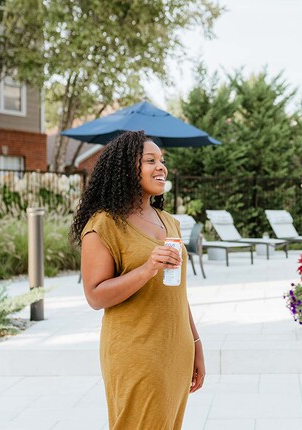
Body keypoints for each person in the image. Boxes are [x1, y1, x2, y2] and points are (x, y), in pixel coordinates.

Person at [70, 130, 205, 430]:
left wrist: (195, 344)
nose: (161, 167)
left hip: (176, 348)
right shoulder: (104, 223)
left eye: (162, 160)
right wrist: (146, 269)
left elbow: (178, 294)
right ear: (125, 168)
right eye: (150, 160)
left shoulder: (167, 220)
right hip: (137, 352)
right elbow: (95, 295)